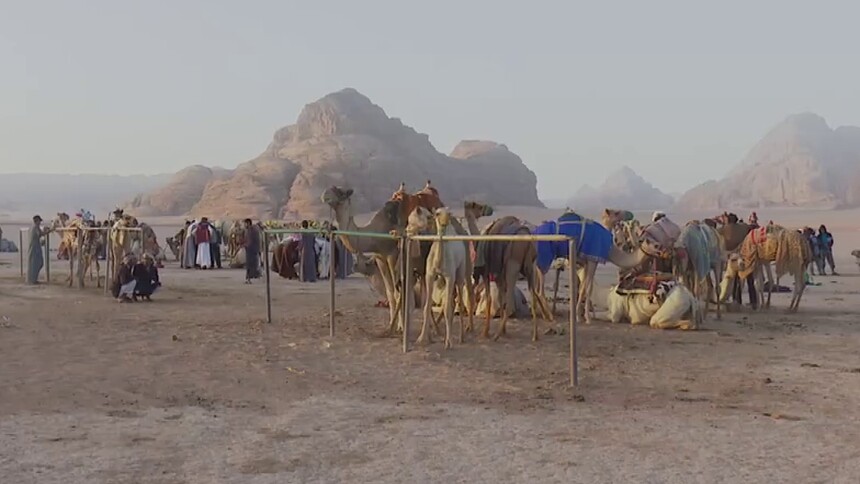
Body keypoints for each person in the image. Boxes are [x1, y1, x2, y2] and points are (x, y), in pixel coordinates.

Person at [26, 215, 49, 284]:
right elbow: (40, 234)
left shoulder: (32, 227)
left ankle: (32, 279)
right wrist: (48, 231)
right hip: (35, 248)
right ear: (36, 221)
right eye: (39, 221)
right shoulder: (35, 227)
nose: (40, 223)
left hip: (34, 247)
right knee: (36, 263)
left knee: (33, 263)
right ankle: (32, 280)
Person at [243, 218, 261, 284]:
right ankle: (252, 277)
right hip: (254, 250)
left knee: (250, 265)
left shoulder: (251, 230)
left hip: (251, 250)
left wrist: (245, 245)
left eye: (245, 223)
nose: (244, 225)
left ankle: (249, 279)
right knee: (254, 265)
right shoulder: (253, 229)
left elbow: (249, 241)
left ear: (248, 223)